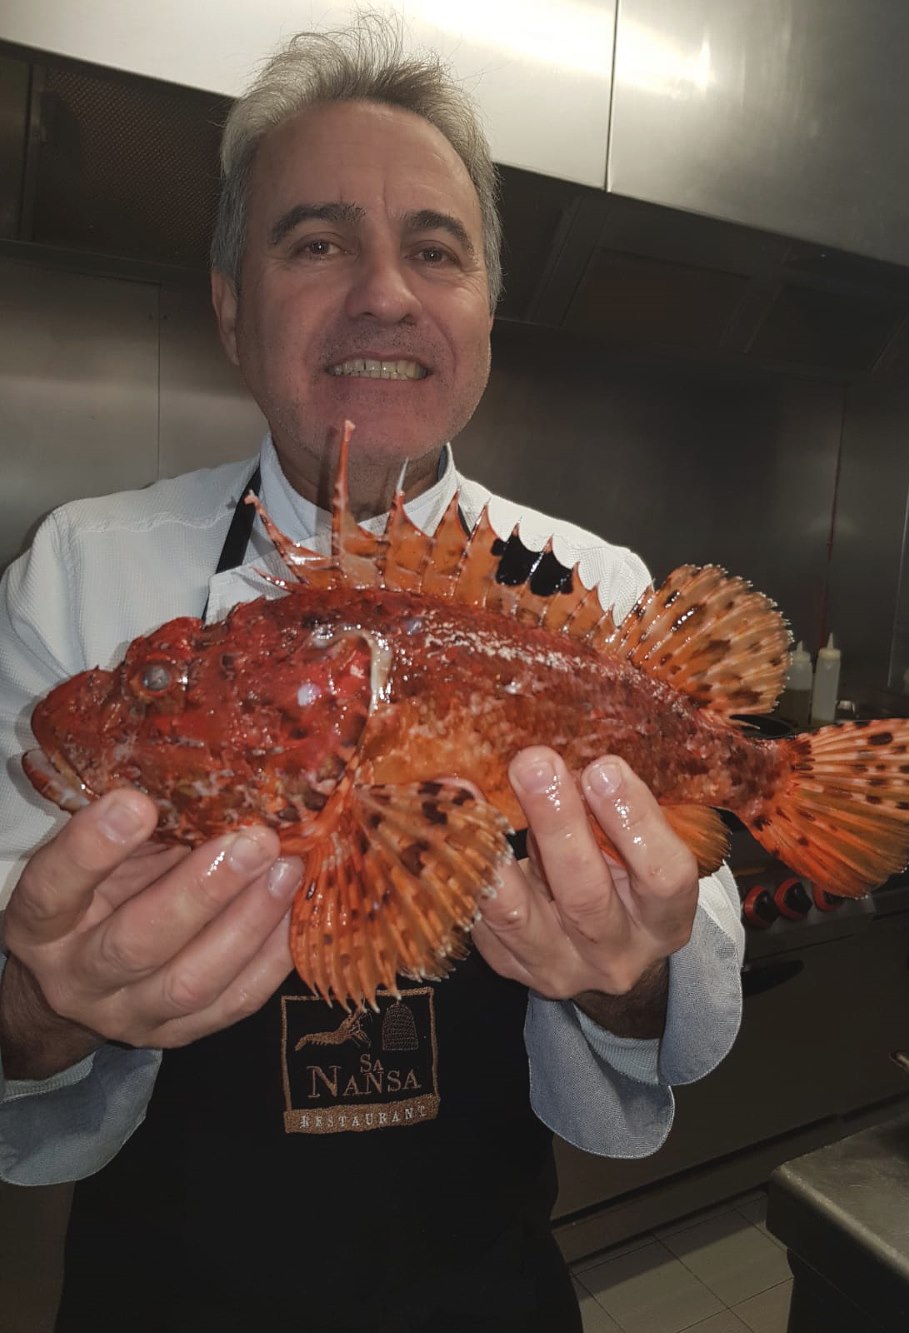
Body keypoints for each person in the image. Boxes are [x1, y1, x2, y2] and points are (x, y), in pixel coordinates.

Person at [0, 21, 744, 1333]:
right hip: (166, 1293)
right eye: (318, 239)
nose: (385, 291)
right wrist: (41, 1004)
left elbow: (683, 1000)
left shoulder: (597, 595)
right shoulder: (78, 571)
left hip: (479, 1285)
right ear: (231, 303)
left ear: (483, 318)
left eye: (435, 249)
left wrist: (627, 973)